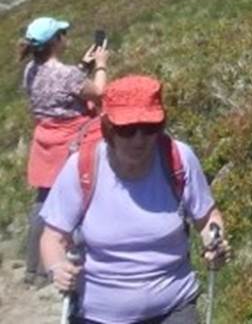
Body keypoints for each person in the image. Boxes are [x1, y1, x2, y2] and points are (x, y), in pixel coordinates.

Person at [39, 74, 230, 324]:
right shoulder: (82, 168)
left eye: (150, 128)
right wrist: (57, 267)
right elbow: (53, 237)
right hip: (98, 315)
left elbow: (207, 218)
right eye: (127, 130)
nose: (139, 139)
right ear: (109, 129)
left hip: (174, 307)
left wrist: (213, 241)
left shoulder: (179, 159)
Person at [19, 15, 107, 286]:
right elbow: (99, 93)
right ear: (56, 41)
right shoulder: (67, 75)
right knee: (81, 194)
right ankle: (76, 256)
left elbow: (60, 85)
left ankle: (34, 268)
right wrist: (101, 66)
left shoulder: (31, 70)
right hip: (72, 142)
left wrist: (83, 66)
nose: (65, 36)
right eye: (62, 33)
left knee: (43, 200)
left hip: (45, 140)